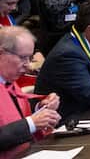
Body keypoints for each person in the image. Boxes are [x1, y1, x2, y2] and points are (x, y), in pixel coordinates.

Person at [0, 26, 59, 156]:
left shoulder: (8, 81)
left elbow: (15, 114)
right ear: (1, 53)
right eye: (22, 57)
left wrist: (41, 109)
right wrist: (32, 123)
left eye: (29, 58)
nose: (28, 65)